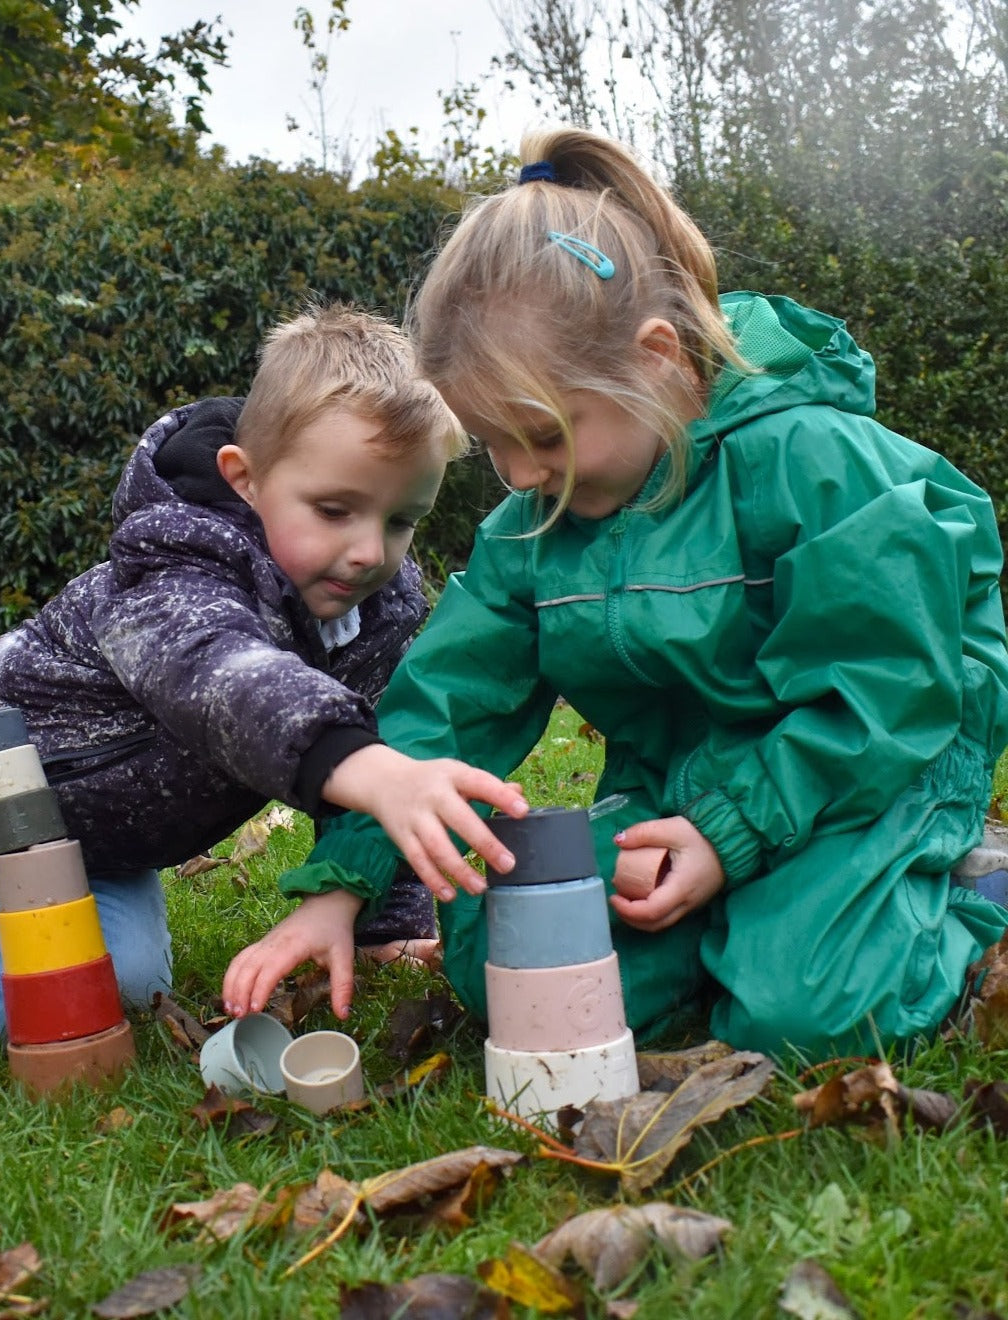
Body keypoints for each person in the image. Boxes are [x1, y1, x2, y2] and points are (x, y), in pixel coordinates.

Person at [222, 128, 1008, 1063]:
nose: (519, 475)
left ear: (658, 359)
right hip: (680, 791)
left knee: (807, 1020)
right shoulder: (534, 525)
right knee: (508, 977)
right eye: (495, 443)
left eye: (543, 438)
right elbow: (442, 710)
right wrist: (339, 890)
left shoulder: (817, 464)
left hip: (868, 772)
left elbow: (886, 689)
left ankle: (965, 893)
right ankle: (761, 923)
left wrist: (725, 837)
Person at [0, 302, 524, 1090]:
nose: (367, 550)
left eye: (403, 519)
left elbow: (390, 760)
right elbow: (220, 676)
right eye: (334, 509)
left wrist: (379, 918)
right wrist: (361, 763)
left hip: (105, 834)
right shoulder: (173, 570)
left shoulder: (377, 609)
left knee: (113, 993)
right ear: (244, 477)